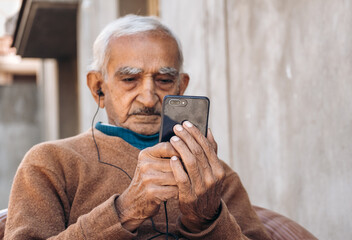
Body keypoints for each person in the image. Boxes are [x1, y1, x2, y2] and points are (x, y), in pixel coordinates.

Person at [4, 15, 270, 239]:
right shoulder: (51, 163)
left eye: (164, 80)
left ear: (182, 87)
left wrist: (207, 219)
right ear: (98, 87)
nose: (148, 97)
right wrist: (125, 210)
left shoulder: (213, 174)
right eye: (130, 79)